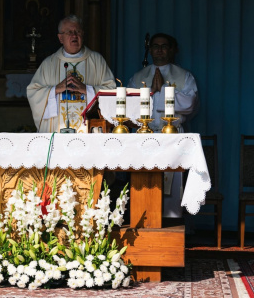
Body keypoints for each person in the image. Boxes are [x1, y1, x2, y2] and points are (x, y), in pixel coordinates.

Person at [127, 33, 199, 218]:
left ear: (173, 49)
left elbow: (190, 103)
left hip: (172, 137)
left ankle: (171, 226)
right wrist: (150, 91)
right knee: (144, 185)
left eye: (164, 46)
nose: (159, 49)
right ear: (150, 50)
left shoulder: (184, 76)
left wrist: (164, 90)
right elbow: (129, 107)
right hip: (145, 136)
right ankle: (143, 221)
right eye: (155, 46)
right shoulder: (138, 77)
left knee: (172, 192)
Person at [26, 15, 116, 132]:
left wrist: (87, 89)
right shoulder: (49, 64)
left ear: (82, 34)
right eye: (69, 32)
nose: (74, 35)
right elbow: (33, 92)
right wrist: (56, 89)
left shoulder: (96, 61)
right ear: (60, 38)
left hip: (90, 131)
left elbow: (112, 91)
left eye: (77, 31)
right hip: (57, 130)